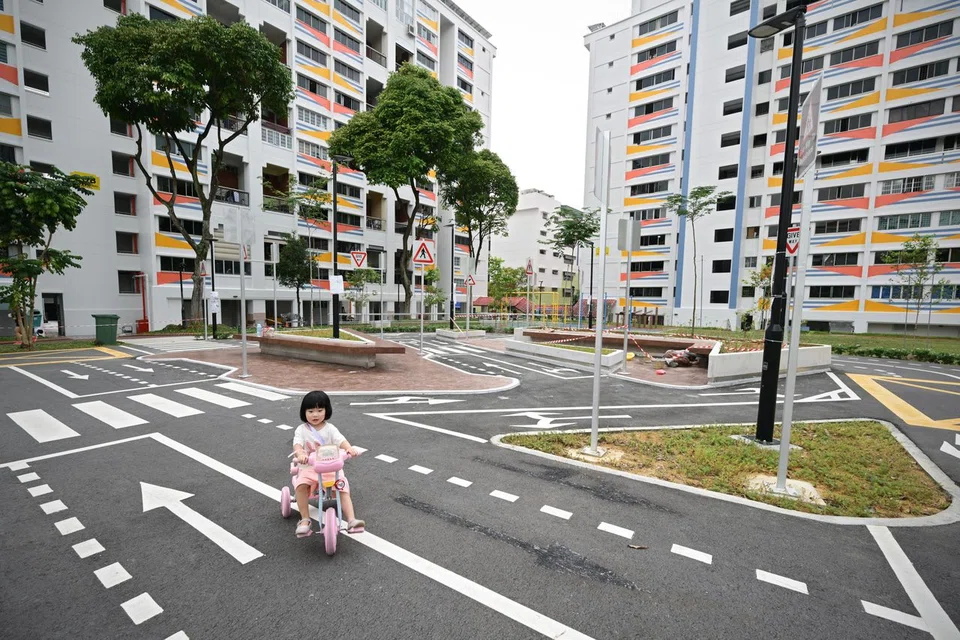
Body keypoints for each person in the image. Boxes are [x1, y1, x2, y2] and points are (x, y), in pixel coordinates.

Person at [291, 390, 365, 538]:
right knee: (300, 486)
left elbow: (340, 440)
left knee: (342, 488)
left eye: (320, 410)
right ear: (304, 412)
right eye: (310, 411)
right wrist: (300, 454)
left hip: (331, 468)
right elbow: (297, 444)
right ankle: (305, 519)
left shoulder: (330, 429)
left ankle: (351, 520)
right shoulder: (301, 430)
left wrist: (349, 448)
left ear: (326, 410)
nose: (315, 415)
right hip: (310, 467)